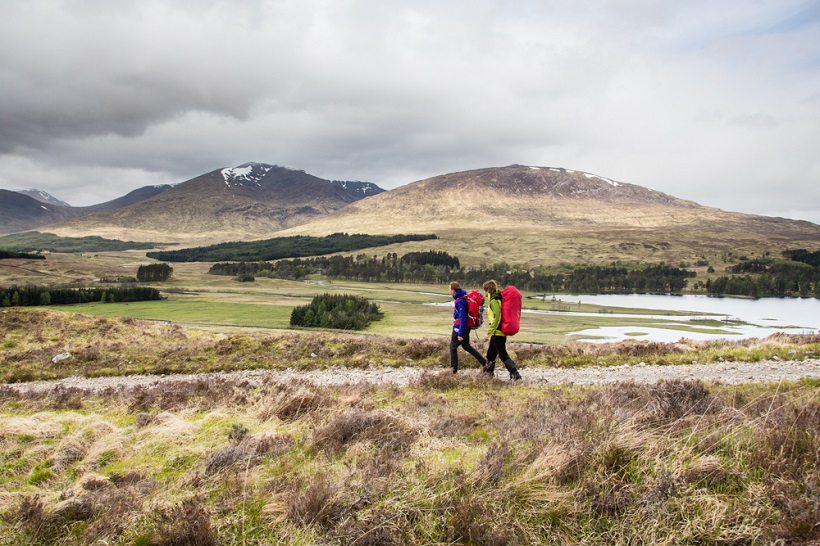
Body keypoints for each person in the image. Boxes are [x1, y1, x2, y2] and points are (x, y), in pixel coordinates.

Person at [481, 279, 522, 381]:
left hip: (498, 333)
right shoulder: (496, 299)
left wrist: (488, 333)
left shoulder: (494, 301)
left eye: (484, 290)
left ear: (487, 290)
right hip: (497, 333)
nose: (484, 292)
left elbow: (497, 318)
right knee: (490, 354)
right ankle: (488, 374)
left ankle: (515, 374)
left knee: (503, 355)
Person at [448, 281, 486, 373]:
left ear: (453, 290)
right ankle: (484, 362)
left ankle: (453, 370)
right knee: (466, 346)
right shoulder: (463, 298)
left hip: (460, 327)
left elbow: (463, 317)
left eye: (449, 289)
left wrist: (460, 333)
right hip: (465, 326)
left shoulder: (459, 301)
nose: (449, 291)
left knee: (453, 347)